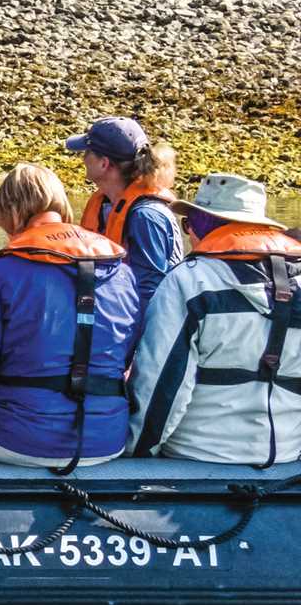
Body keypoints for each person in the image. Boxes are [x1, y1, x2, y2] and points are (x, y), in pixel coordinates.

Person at [0, 164, 140, 471]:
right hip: (107, 439)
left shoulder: (3, 273)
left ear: (11, 213)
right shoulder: (122, 272)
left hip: (16, 437)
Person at [129, 174, 301, 465]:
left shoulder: (189, 281)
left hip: (196, 455)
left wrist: (136, 453)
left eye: (189, 225)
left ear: (203, 226)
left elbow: (161, 386)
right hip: (285, 454)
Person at [67, 117, 182, 308]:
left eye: (87, 152)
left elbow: (152, 294)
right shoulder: (105, 204)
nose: (83, 158)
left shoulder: (146, 216)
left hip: (139, 330)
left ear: (104, 164)